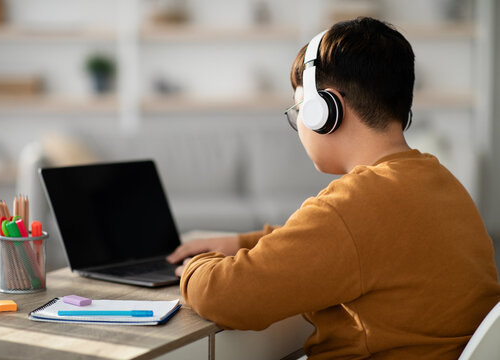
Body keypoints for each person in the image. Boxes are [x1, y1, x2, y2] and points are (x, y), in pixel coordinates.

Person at [166, 17, 500, 359]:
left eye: (298, 110)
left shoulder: (355, 203)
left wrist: (195, 265)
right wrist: (241, 243)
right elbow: (349, 246)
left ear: (324, 110)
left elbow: (225, 298)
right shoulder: (440, 181)